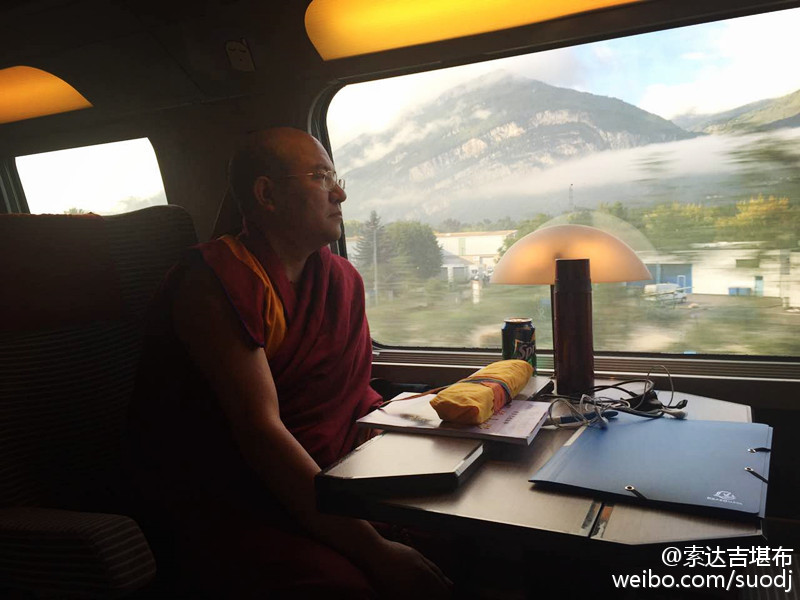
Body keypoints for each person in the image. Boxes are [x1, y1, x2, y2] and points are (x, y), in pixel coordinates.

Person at [127, 127, 452, 599]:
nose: (339, 193)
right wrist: (374, 550)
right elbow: (260, 433)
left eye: (336, 178)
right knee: (347, 585)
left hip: (335, 474)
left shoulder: (341, 279)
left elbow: (345, 399)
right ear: (266, 194)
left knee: (452, 530)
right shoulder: (215, 282)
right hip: (238, 497)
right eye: (320, 177)